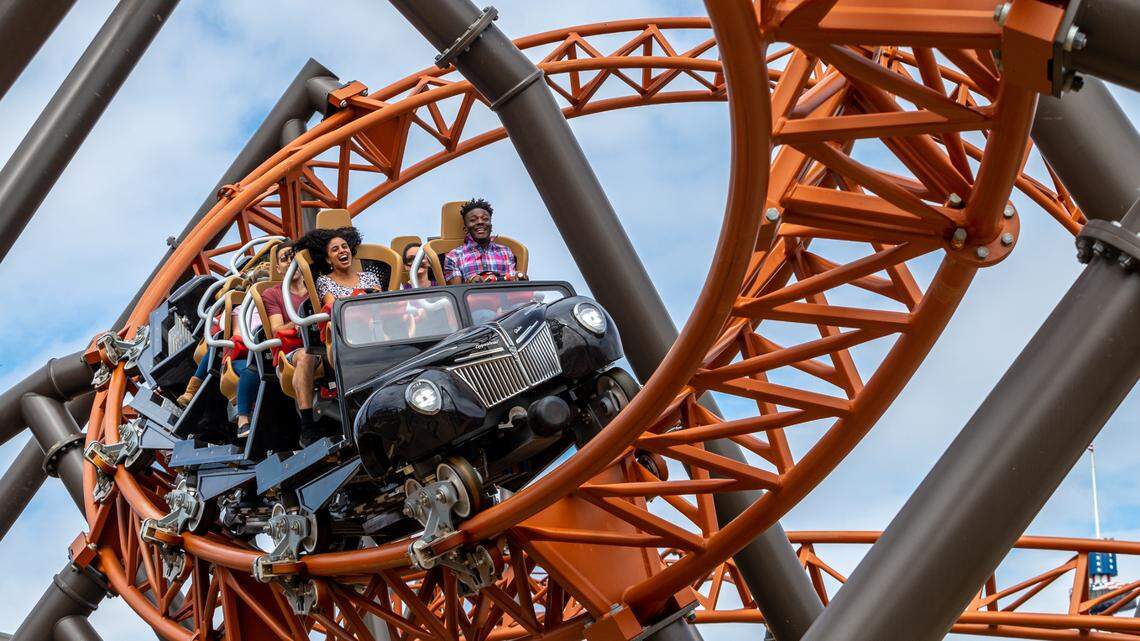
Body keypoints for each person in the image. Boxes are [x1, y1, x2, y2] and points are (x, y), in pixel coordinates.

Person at [443, 198, 527, 284]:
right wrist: (470, 281)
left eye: (485, 219)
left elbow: (514, 282)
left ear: (491, 225)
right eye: (473, 220)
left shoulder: (505, 251)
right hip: (471, 296)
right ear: (466, 229)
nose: (480, 222)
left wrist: (518, 275)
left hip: (503, 296)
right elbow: (456, 290)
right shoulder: (454, 256)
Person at [299, 226, 383, 308]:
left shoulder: (370, 276)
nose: (342, 250)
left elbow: (381, 302)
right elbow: (333, 309)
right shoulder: (324, 282)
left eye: (345, 246)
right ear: (328, 259)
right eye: (335, 249)